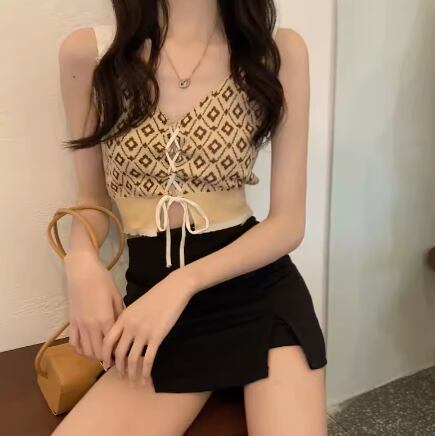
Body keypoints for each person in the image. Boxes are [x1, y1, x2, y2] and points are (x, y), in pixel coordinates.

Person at [54, 0, 328, 434]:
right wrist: (81, 259)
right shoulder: (91, 55)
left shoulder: (276, 52)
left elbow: (288, 223)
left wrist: (181, 284)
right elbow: (92, 198)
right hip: (152, 317)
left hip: (259, 299)